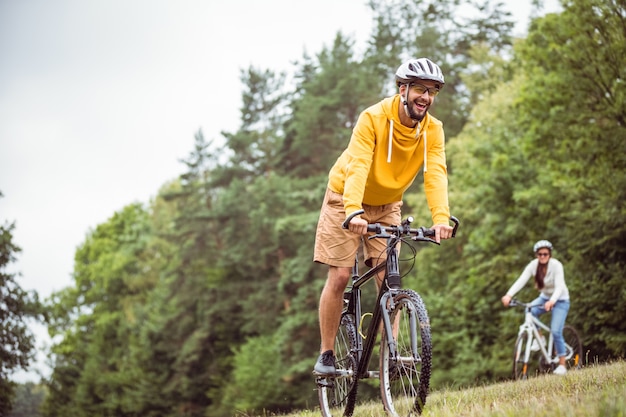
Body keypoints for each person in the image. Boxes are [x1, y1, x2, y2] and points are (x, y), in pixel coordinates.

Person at [312, 58, 454, 375]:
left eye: (432, 92)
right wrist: (352, 210)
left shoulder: (433, 130)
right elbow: (358, 165)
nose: (425, 97)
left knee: (388, 280)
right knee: (339, 276)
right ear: (402, 89)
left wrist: (440, 219)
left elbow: (436, 176)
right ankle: (327, 354)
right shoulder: (373, 118)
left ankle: (387, 356)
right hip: (345, 198)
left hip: (388, 204)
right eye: (419, 89)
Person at [501, 240, 570, 375]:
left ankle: (562, 364)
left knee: (556, 331)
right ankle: (540, 338)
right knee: (530, 310)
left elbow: (560, 286)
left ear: (550, 254)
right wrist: (509, 295)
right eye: (540, 254)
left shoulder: (556, 266)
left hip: (560, 300)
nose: (543, 256)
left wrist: (553, 300)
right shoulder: (533, 266)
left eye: (545, 254)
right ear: (536, 255)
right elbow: (521, 280)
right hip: (544, 298)